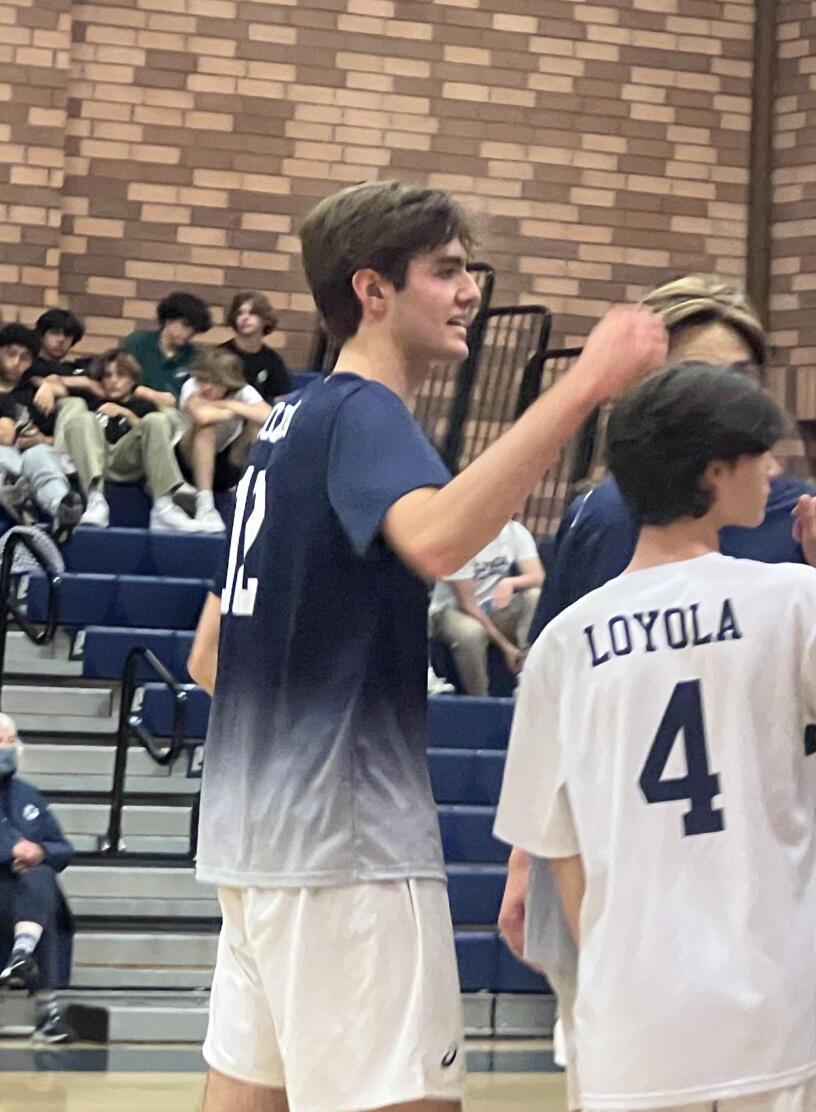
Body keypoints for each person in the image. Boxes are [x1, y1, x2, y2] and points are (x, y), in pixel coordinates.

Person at [183, 180, 665, 1112]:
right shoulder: (365, 414)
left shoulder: (288, 427)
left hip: (253, 845)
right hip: (345, 848)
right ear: (372, 291)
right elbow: (441, 539)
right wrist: (587, 383)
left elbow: (210, 655)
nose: (470, 292)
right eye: (445, 272)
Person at [498, 276, 816, 1110]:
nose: (731, 398)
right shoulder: (616, 526)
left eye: (743, 377)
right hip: (675, 924)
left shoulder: (799, 525)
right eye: (709, 376)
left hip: (716, 931)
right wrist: (528, 865)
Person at [53, 349, 202, 532]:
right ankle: (95, 501)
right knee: (82, 417)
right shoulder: (93, 400)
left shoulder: (143, 405)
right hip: (95, 461)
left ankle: (164, 506)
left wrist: (126, 413)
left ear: (132, 379)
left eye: (121, 375)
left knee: (157, 420)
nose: (113, 381)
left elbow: (158, 429)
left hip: (130, 462)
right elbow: (52, 381)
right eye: (107, 375)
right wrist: (88, 384)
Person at [0, 714, 75, 1044]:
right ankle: (47, 1007)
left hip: (23, 890)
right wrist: (12, 850)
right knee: (37, 892)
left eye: (11, 740)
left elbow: (63, 848)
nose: (9, 747)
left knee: (42, 880)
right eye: (1, 740)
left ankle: (22, 954)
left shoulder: (28, 795)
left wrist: (40, 852)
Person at [428, 517, 545, 695]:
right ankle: (479, 698)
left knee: (534, 596)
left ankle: (526, 677)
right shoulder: (460, 541)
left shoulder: (515, 531)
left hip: (493, 607)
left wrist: (510, 582)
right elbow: (468, 605)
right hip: (451, 610)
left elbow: (538, 576)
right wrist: (506, 647)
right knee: (471, 633)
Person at [176, 347, 271, 532]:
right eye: (203, 380)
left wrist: (228, 405)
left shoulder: (243, 391)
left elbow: (268, 415)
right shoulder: (191, 386)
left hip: (226, 463)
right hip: (186, 463)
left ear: (229, 382)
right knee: (206, 428)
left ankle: (252, 492)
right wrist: (238, 411)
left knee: (257, 427)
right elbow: (203, 416)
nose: (206, 387)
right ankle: (205, 504)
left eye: (214, 382)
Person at [0, 324, 82, 534]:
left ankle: (61, 509)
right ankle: (19, 495)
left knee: (41, 455)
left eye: (25, 357)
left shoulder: (35, 393)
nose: (16, 363)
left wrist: (41, 440)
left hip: (31, 460)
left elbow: (59, 440)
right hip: (7, 460)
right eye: (10, 354)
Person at [122, 291, 212, 407]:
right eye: (185, 325)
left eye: (194, 329)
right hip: (135, 409)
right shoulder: (138, 342)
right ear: (169, 320)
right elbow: (120, 382)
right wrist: (151, 395)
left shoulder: (196, 357)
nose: (189, 333)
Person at [220, 292, 293, 403]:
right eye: (240, 313)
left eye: (252, 313)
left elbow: (281, 397)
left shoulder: (272, 360)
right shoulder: (218, 355)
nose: (245, 318)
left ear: (266, 319)